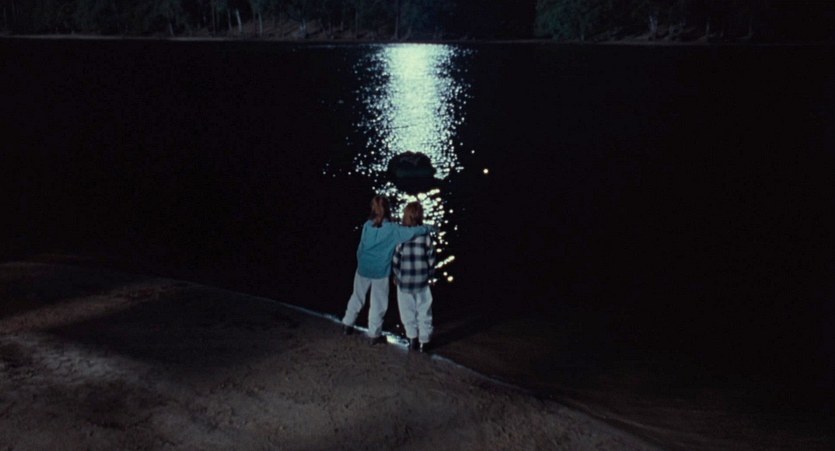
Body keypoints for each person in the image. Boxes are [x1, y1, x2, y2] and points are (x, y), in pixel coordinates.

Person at [342, 195, 431, 345]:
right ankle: (374, 334)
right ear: (388, 209)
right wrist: (429, 228)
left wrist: (361, 262)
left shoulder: (367, 225)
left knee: (357, 296)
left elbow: (360, 247)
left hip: (363, 267)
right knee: (378, 303)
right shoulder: (393, 229)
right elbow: (413, 232)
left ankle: (347, 324)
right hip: (381, 271)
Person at [392, 201, 435, 352]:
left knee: (407, 310)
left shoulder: (402, 235)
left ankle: (412, 339)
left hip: (405, 280)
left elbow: (396, 258)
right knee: (424, 310)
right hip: (422, 280)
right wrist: (431, 275)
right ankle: (425, 341)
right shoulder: (425, 235)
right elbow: (431, 257)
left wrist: (396, 274)